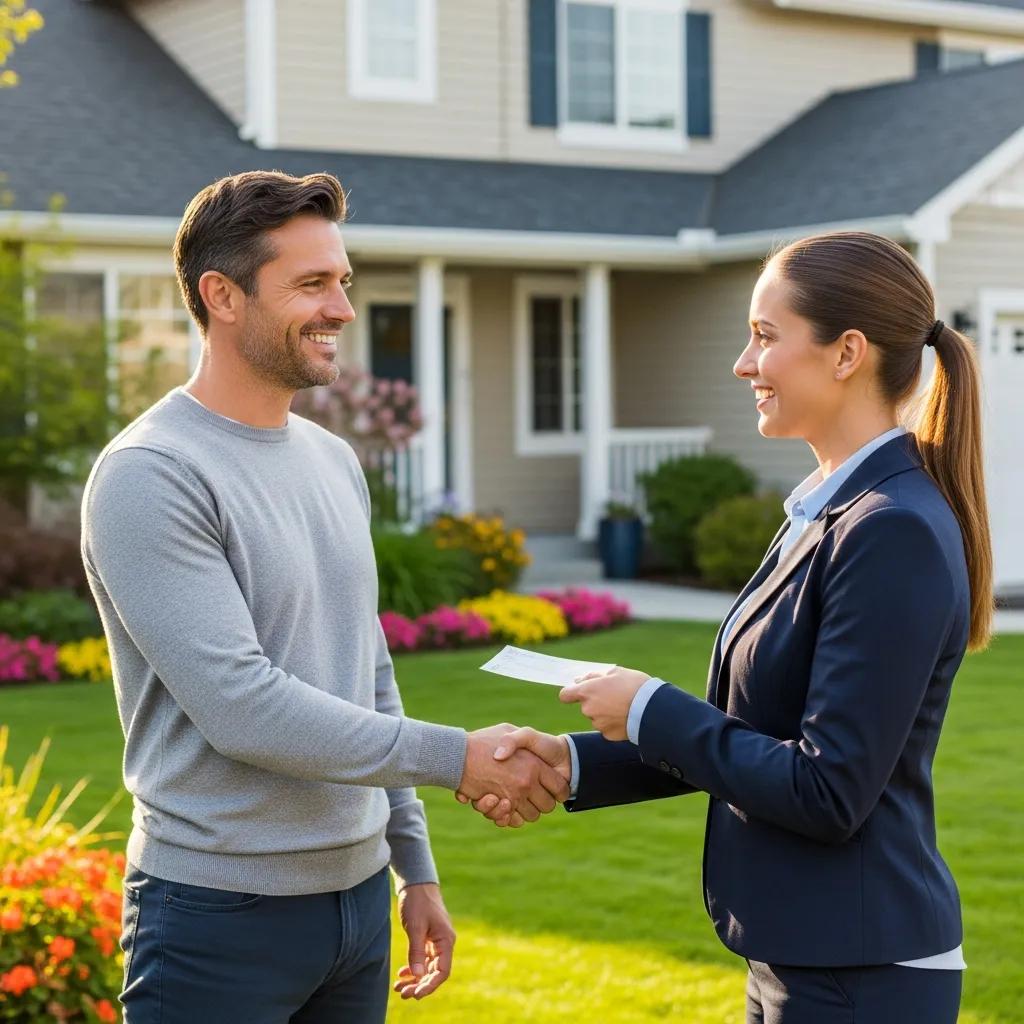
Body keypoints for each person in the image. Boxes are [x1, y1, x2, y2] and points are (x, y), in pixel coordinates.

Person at [81, 170, 568, 1024]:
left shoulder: (332, 460)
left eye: (341, 280)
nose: (342, 308)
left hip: (356, 907)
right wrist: (459, 757)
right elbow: (241, 705)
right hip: (216, 917)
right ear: (221, 296)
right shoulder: (151, 474)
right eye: (311, 284)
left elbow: (363, 667)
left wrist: (412, 865)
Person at [468, 231, 993, 1023]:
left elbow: (826, 789)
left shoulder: (891, 529)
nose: (743, 365)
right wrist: (573, 763)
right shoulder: (824, 512)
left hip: (861, 972)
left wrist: (648, 706)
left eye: (764, 336)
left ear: (846, 352)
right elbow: (746, 736)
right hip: (801, 959)